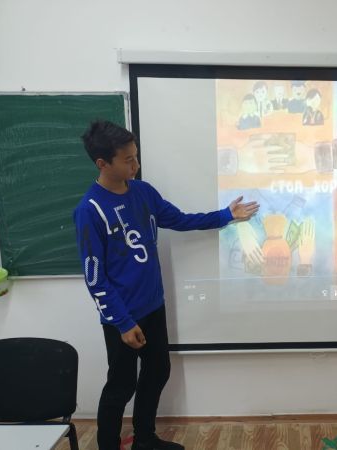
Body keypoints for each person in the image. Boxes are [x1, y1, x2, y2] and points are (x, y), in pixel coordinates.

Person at [73, 121, 259, 450]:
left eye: (136, 156)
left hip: (153, 306)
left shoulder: (143, 192)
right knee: (121, 385)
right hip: (122, 317)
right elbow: (95, 278)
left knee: (158, 370)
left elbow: (179, 219)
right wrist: (123, 322)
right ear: (103, 163)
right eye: (128, 160)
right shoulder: (90, 210)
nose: (136, 165)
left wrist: (225, 215)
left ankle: (144, 438)